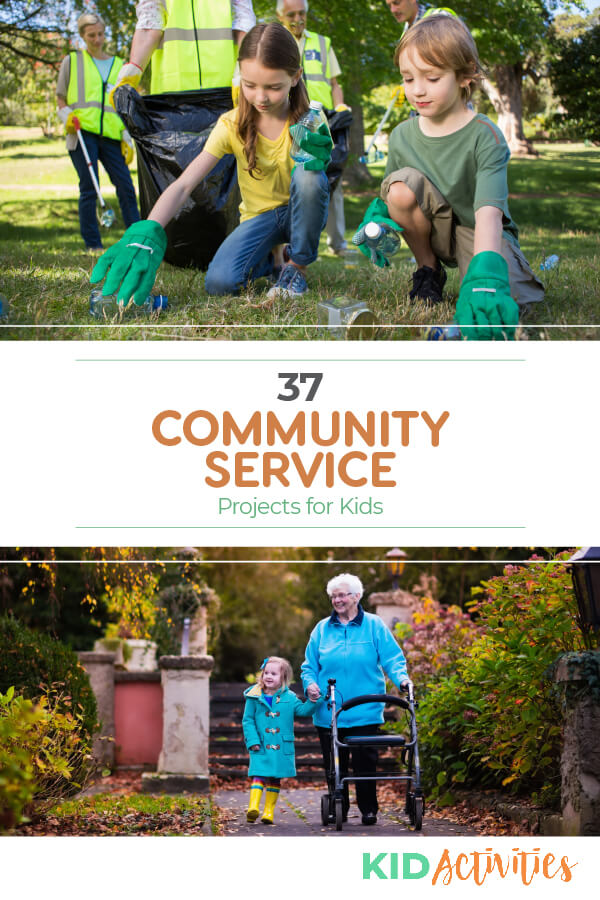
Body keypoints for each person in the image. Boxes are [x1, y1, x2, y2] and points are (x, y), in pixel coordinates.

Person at [90, 23, 331, 304]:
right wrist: (149, 228)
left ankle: (296, 267)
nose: (260, 97)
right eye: (250, 85)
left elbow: (315, 187)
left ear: (295, 77)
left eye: (273, 87)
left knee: (309, 177)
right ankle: (269, 261)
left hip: (300, 213)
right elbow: (184, 184)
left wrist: (318, 163)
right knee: (220, 283)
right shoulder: (231, 124)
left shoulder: (309, 120)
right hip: (260, 219)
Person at [354, 15, 544, 339]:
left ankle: (485, 274)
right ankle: (428, 271)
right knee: (400, 189)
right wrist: (377, 221)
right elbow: (393, 193)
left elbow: (489, 214)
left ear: (464, 74)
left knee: (509, 300)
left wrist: (485, 273)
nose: (417, 90)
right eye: (408, 78)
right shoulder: (401, 136)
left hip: (478, 229)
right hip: (434, 231)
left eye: (431, 77)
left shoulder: (486, 135)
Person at [301, 574, 410, 826]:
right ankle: (338, 803)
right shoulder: (321, 629)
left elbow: (392, 658)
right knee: (334, 763)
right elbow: (309, 666)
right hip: (330, 710)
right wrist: (311, 685)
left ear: (356, 596)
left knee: (365, 763)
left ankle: (368, 809)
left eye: (342, 595)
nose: (337, 600)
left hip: (365, 708)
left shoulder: (374, 625)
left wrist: (402, 680)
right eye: (334, 596)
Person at [56, 13, 140, 253]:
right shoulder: (71, 62)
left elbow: (125, 103)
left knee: (126, 186)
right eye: (91, 35)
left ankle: (135, 240)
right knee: (89, 189)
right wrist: (67, 117)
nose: (97, 39)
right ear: (82, 36)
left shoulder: (118, 65)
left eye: (100, 34)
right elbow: (61, 98)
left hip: (112, 136)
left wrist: (126, 136)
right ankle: (93, 244)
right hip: (82, 134)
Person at [277, 0, 349, 256]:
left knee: (332, 178)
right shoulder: (276, 43)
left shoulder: (322, 42)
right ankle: (292, 242)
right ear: (280, 16)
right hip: (289, 117)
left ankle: (338, 243)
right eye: (291, 14)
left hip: (322, 119)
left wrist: (340, 106)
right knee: (297, 176)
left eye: (301, 13)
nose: (298, 18)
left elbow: (334, 82)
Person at [112, 0, 256, 97]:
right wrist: (133, 70)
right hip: (172, 94)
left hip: (227, 87)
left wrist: (245, 69)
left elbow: (244, 22)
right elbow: (149, 23)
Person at [242, 656, 322, 824]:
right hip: (261, 744)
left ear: (283, 678)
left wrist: (314, 700)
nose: (269, 676)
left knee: (275, 778)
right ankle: (253, 806)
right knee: (258, 774)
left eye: (274, 674)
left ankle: (268, 812)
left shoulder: (290, 697)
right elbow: (248, 720)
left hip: (280, 746)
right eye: (266, 673)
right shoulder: (253, 696)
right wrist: (252, 741)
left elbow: (303, 710)